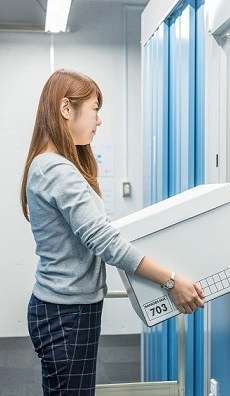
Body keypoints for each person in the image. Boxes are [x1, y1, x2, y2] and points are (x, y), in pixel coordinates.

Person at [20, 69, 205, 395]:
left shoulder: (51, 164)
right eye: (94, 109)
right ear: (66, 109)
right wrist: (171, 280)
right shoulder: (56, 169)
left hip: (63, 309)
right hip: (67, 313)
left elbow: (97, 232)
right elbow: (102, 240)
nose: (99, 120)